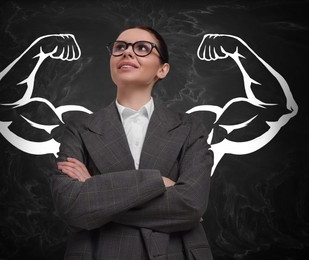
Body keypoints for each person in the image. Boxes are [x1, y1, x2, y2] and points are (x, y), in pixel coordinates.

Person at [50, 26, 214, 260]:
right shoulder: (78, 129)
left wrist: (97, 188)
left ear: (162, 69)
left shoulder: (190, 128)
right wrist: (157, 181)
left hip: (176, 253)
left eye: (142, 48)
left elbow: (190, 205)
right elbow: (72, 206)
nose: (127, 53)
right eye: (120, 47)